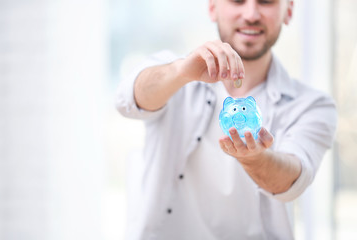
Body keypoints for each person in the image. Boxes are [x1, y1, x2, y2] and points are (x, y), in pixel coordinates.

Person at [116, 0, 337, 239]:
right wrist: (180, 72)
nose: (251, 14)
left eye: (266, 1)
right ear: (212, 7)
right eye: (237, 1)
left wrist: (256, 159)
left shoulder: (312, 105)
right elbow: (128, 100)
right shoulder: (173, 72)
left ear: (289, 10)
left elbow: (294, 178)